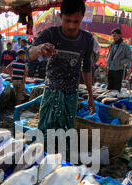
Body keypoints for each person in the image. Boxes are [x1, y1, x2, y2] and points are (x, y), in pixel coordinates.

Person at [28, 0, 95, 150]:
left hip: (71, 95)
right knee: (45, 134)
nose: (71, 26)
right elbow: (31, 53)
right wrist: (40, 49)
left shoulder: (87, 39)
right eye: (67, 20)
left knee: (64, 135)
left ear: (82, 18)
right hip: (51, 93)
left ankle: (59, 162)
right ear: (60, 16)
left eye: (76, 21)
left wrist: (90, 95)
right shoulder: (50, 34)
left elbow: (87, 68)